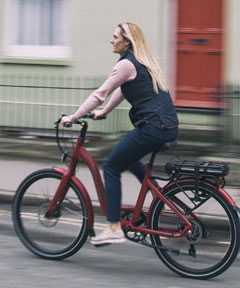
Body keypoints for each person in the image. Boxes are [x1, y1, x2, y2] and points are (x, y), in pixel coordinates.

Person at [60, 22, 179, 245]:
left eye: (115, 37)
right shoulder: (143, 62)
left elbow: (101, 93)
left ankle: (114, 227)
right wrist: (103, 113)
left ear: (127, 41)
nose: (111, 40)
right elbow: (123, 91)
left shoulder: (126, 65)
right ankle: (156, 194)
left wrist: (74, 117)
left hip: (153, 127)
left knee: (112, 166)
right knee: (129, 157)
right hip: (167, 126)